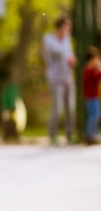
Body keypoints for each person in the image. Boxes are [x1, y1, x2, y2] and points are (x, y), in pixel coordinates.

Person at [42, 16, 77, 145]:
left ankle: (70, 134)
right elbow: (59, 52)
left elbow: (70, 55)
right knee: (57, 108)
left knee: (71, 108)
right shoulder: (49, 40)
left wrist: (72, 60)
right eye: (67, 28)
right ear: (60, 28)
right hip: (55, 79)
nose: (69, 31)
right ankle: (53, 134)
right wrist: (67, 50)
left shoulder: (66, 40)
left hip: (68, 78)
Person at [83, 46, 101, 144]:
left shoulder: (91, 70)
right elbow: (95, 78)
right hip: (90, 97)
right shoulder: (88, 71)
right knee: (94, 115)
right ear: (92, 60)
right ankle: (89, 134)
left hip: (94, 96)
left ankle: (94, 133)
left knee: (96, 115)